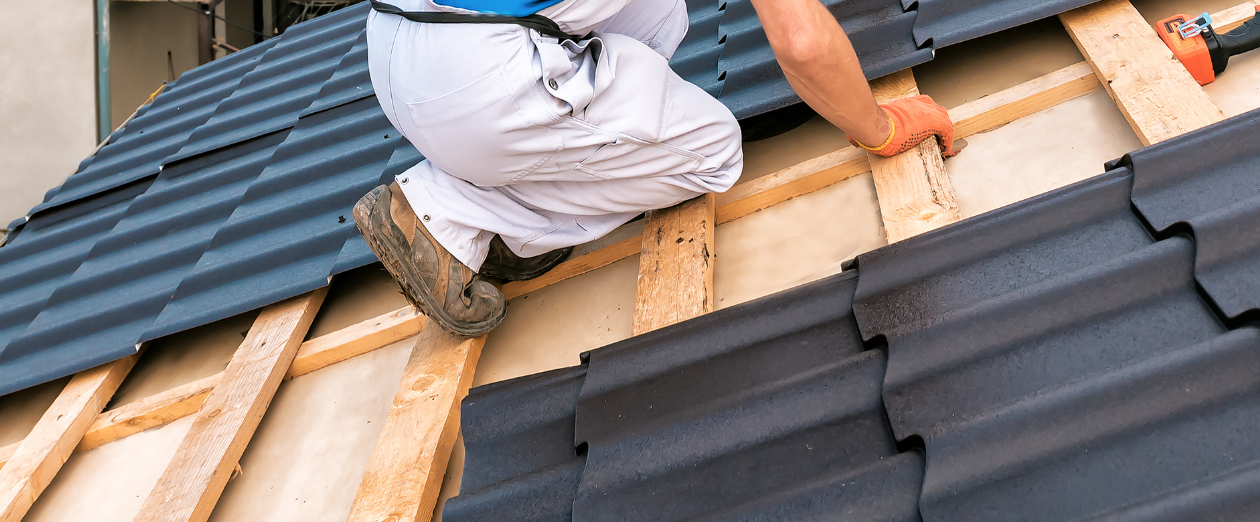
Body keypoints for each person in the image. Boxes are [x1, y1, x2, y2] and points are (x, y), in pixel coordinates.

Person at [353, 0, 964, 337]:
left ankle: (561, 139)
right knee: (713, 153)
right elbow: (802, 42)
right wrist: (881, 127)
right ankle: (451, 212)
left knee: (661, 10)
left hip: (395, 40)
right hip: (474, 85)